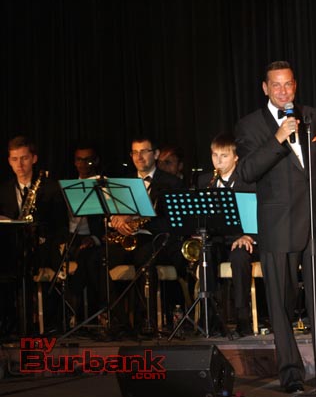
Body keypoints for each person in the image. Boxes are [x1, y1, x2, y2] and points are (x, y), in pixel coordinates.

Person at [235, 60, 316, 392]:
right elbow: (246, 172)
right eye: (276, 85)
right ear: (265, 88)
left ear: (295, 85)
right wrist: (278, 138)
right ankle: (291, 375)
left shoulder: (312, 115)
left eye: (288, 84)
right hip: (279, 227)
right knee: (281, 305)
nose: (283, 91)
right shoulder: (249, 125)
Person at [92, 136, 185, 335]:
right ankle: (120, 320)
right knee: (98, 258)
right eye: (135, 152)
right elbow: (108, 212)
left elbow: (172, 222)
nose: (139, 157)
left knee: (145, 258)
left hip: (154, 239)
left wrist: (137, 219)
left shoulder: (172, 182)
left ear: (156, 154)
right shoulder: (122, 182)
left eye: (144, 151)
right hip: (126, 239)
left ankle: (147, 321)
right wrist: (115, 219)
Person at [0, 136, 68, 333]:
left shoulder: (51, 187)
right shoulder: (3, 190)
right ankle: (9, 321)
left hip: (43, 248)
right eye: (14, 159)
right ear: (9, 161)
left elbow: (62, 225)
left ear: (34, 158)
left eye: (24, 158)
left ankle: (39, 322)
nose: (19, 165)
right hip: (12, 249)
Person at [196, 132, 257, 337]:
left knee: (239, 257)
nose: (218, 161)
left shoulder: (248, 181)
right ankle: (209, 316)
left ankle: (242, 317)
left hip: (243, 239)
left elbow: (260, 213)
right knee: (206, 255)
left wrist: (248, 235)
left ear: (236, 157)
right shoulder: (205, 181)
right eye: (215, 155)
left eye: (224, 156)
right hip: (218, 239)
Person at [65, 142, 106, 323]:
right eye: (79, 160)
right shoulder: (68, 185)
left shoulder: (103, 185)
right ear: (74, 162)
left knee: (86, 258)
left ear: (95, 161)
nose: (83, 164)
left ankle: (81, 313)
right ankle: (67, 313)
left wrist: (94, 238)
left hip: (93, 239)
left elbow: (105, 223)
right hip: (70, 236)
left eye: (88, 160)